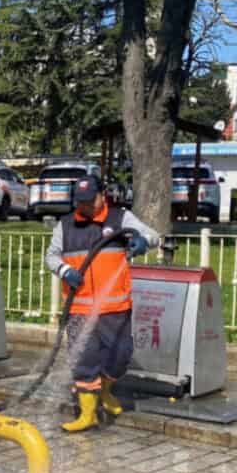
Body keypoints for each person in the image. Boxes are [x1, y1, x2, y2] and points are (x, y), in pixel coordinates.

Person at [44, 175, 160, 432]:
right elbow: (51, 256)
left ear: (102, 195)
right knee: (83, 361)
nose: (85, 206)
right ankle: (87, 415)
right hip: (80, 309)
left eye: (90, 200)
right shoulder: (65, 226)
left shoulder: (120, 219)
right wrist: (64, 270)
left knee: (120, 356)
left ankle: (106, 391)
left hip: (115, 308)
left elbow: (154, 236)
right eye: (80, 202)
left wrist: (143, 241)